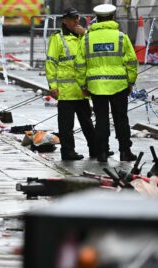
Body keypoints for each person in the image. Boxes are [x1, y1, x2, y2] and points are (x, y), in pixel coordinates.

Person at [76, 4, 138, 162]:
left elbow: (80, 64)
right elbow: (131, 62)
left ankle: (102, 153)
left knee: (101, 120)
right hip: (119, 85)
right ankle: (125, 152)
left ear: (97, 18)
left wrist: (83, 85)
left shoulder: (87, 38)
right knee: (121, 119)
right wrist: (130, 82)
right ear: (112, 17)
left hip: (96, 86)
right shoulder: (121, 37)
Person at [46, 8, 96, 160]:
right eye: (72, 18)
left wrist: (85, 34)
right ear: (64, 21)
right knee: (66, 125)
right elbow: (51, 62)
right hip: (66, 91)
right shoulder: (58, 38)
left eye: (77, 18)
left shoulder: (85, 36)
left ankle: (96, 150)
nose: (75, 21)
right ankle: (68, 152)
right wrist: (52, 86)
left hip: (82, 91)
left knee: (87, 123)